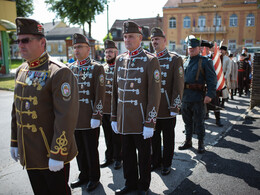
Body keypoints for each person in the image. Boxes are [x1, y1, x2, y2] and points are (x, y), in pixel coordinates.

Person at [10, 17, 79, 195]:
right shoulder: (21, 70)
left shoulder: (59, 72)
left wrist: (58, 153)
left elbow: (66, 117)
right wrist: (15, 142)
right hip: (29, 152)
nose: (20, 45)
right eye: (18, 41)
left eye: (26, 40)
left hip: (51, 152)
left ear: (42, 42)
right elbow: (16, 110)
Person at [111, 21, 161, 194]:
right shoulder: (120, 59)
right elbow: (115, 92)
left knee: (144, 155)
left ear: (140, 38)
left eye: (131, 36)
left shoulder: (150, 60)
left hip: (141, 120)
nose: (127, 39)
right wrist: (113, 117)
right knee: (128, 154)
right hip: (124, 119)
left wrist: (150, 122)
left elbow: (154, 95)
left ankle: (143, 185)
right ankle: (130, 183)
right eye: (125, 37)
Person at [69, 33, 105, 192]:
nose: (76, 50)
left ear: (88, 49)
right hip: (74, 119)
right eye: (74, 47)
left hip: (90, 118)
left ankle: (94, 177)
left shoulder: (97, 68)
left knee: (91, 150)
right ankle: (83, 174)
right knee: (78, 150)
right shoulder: (70, 68)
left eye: (79, 47)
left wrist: (97, 115)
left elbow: (100, 94)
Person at [150, 27, 184, 175]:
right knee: (154, 138)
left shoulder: (174, 59)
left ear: (164, 41)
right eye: (152, 40)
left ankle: (167, 163)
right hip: (152, 109)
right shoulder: (149, 59)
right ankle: (156, 161)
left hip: (167, 107)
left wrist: (175, 106)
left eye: (157, 39)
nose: (154, 42)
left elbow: (178, 85)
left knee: (168, 138)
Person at [178, 37, 217, 154]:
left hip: (198, 96)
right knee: (187, 121)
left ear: (199, 48)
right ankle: (188, 141)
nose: (191, 50)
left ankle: (201, 143)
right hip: (185, 97)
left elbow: (212, 79)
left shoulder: (205, 61)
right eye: (190, 48)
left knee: (199, 121)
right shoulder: (184, 61)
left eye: (194, 48)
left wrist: (210, 94)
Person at [100, 39, 122, 170]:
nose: (108, 54)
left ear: (116, 52)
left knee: (117, 136)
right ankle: (109, 156)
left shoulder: (120, 67)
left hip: (117, 109)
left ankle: (119, 157)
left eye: (111, 52)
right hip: (105, 109)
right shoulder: (102, 68)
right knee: (107, 135)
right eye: (106, 52)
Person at [201, 40, 223, 127]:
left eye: (203, 47)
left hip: (212, 84)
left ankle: (218, 120)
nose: (201, 49)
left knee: (215, 102)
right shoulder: (198, 58)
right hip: (201, 85)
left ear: (207, 49)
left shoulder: (214, 58)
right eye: (201, 47)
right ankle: (203, 117)